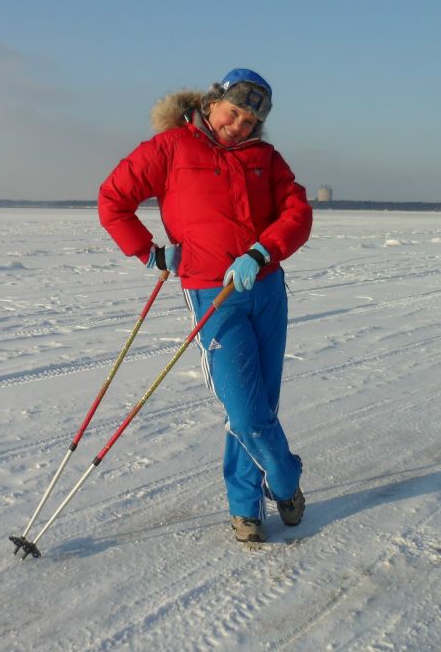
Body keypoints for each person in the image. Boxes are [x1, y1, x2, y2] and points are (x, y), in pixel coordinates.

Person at [98, 68, 313, 543]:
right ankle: (286, 478)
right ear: (213, 102)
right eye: (234, 112)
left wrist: (262, 251)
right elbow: (113, 198)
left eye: (251, 119)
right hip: (212, 293)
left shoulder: (266, 158)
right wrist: (148, 250)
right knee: (244, 412)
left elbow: (298, 213)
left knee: (262, 404)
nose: (240, 125)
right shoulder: (171, 148)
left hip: (266, 288)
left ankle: (246, 509)